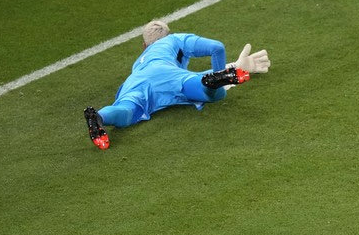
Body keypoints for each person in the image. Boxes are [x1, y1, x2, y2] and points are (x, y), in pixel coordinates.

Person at [83, 19, 271, 149]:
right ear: (168, 34)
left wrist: (237, 66)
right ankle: (218, 79)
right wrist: (229, 69)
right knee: (214, 91)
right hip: (171, 78)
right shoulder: (173, 40)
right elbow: (217, 47)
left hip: (135, 83)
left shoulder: (139, 62)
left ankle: (99, 117)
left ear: (144, 46)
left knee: (127, 110)